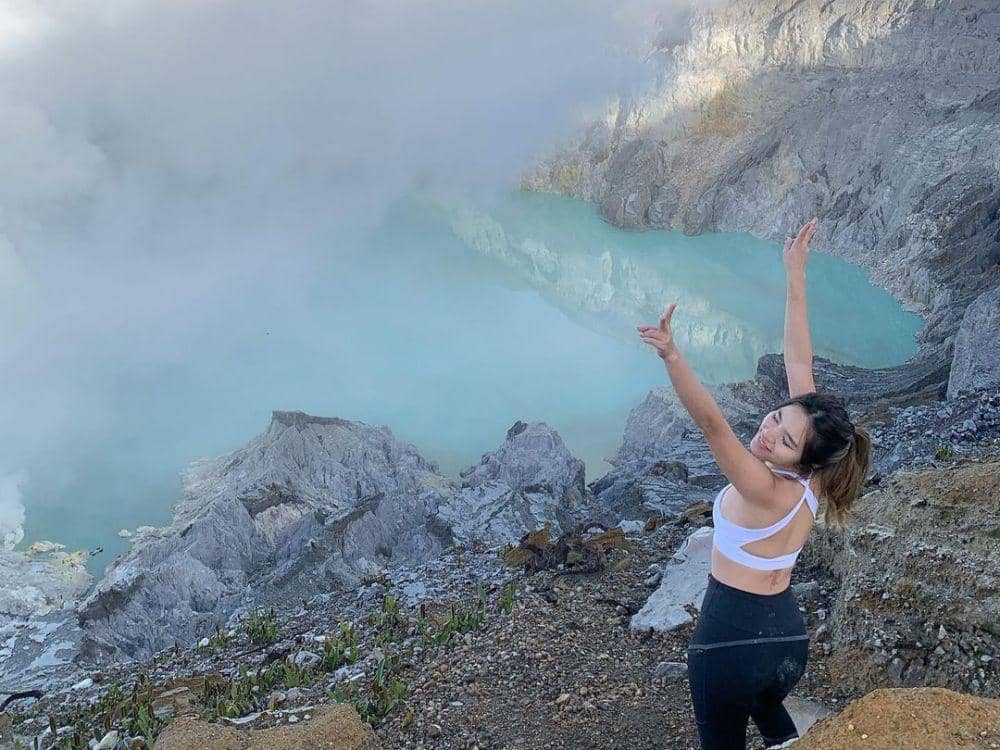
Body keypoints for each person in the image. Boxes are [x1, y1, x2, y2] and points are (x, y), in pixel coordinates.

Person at [636, 218, 872, 750]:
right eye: (775, 419)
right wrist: (795, 274)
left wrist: (673, 356)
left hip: (729, 643)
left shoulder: (762, 488)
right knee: (770, 714)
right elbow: (798, 360)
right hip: (787, 640)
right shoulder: (817, 472)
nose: (767, 435)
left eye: (782, 440)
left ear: (800, 457)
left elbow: (713, 424)